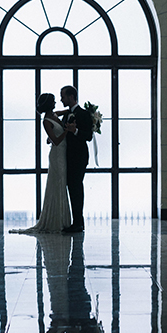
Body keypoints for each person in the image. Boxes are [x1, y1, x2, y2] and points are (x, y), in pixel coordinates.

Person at [9, 93, 71, 234]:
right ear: (49, 104)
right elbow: (55, 140)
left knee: (60, 185)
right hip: (57, 156)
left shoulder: (55, 115)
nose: (56, 102)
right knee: (57, 185)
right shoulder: (46, 121)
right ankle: (57, 221)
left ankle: (62, 220)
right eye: (54, 101)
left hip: (62, 154)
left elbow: (68, 111)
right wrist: (66, 131)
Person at [59, 85, 93, 233]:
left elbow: (89, 136)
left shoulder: (84, 114)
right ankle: (77, 221)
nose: (61, 99)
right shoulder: (66, 115)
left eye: (63, 96)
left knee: (76, 187)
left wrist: (76, 131)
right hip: (67, 157)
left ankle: (78, 222)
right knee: (72, 187)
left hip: (79, 156)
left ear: (71, 97)